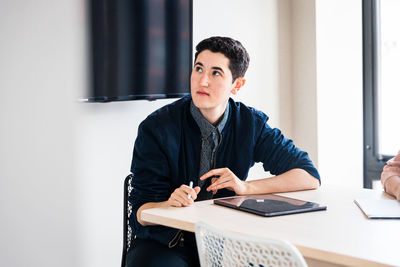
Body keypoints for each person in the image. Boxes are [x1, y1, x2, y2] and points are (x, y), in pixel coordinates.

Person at [126, 36, 320, 267]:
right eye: (199, 69)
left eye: (216, 73)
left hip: (225, 243)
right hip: (164, 244)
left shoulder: (251, 124)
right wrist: (168, 203)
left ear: (236, 85)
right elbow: (139, 212)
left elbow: (308, 176)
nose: (203, 81)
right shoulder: (156, 128)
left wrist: (246, 187)